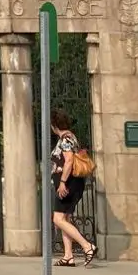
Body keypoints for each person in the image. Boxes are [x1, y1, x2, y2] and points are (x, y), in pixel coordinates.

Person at [48, 110, 97, 265]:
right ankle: (68, 256)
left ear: (54, 126)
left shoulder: (66, 139)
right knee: (65, 219)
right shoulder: (69, 137)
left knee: (57, 219)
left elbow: (68, 161)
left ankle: (87, 246)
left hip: (68, 183)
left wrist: (62, 183)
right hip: (71, 182)